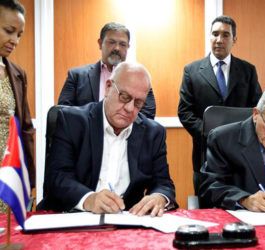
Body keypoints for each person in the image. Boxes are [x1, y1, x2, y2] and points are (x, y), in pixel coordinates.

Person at [40, 62, 176, 216]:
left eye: (138, 103)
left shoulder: (153, 133)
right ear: (108, 87)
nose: (130, 108)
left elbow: (163, 183)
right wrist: (89, 199)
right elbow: (57, 178)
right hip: (71, 218)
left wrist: (159, 197)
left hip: (125, 225)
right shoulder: (72, 121)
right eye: (124, 97)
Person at [178, 15, 262, 194]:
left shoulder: (248, 70)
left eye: (225, 35)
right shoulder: (191, 71)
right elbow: (184, 112)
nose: (219, 40)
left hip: (241, 154)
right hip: (204, 153)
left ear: (234, 39)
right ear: (209, 37)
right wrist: (211, 135)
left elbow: (258, 109)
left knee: (241, 204)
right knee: (207, 207)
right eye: (215, 34)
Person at [199, 85, 265, 212]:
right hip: (237, 224)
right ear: (256, 114)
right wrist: (244, 199)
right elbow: (209, 186)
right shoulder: (222, 139)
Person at [58, 22, 156, 119]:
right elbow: (63, 112)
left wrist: (120, 126)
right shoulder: (77, 76)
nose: (117, 48)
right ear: (100, 44)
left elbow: (148, 114)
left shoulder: (141, 80)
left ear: (127, 47)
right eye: (112, 42)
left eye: (122, 44)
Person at [0, 0, 35, 211]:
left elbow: (26, 129)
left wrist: (29, 179)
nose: (15, 40)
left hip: (8, 173)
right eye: (9, 31)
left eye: (19, 34)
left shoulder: (17, 73)